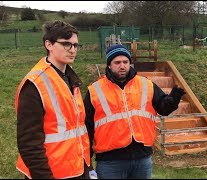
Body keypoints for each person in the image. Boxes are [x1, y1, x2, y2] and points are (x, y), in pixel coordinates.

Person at [84, 44, 186, 179]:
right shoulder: (94, 91)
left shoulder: (146, 84)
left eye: (125, 62)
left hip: (142, 159)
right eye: (117, 62)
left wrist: (172, 100)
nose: (122, 66)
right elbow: (86, 128)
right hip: (110, 162)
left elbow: (163, 108)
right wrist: (86, 162)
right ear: (109, 65)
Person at [15, 20, 97, 179]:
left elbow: (78, 131)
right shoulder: (34, 84)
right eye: (66, 44)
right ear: (49, 44)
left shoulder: (70, 79)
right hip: (52, 174)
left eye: (75, 45)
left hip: (78, 170)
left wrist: (88, 168)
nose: (72, 50)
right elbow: (29, 144)